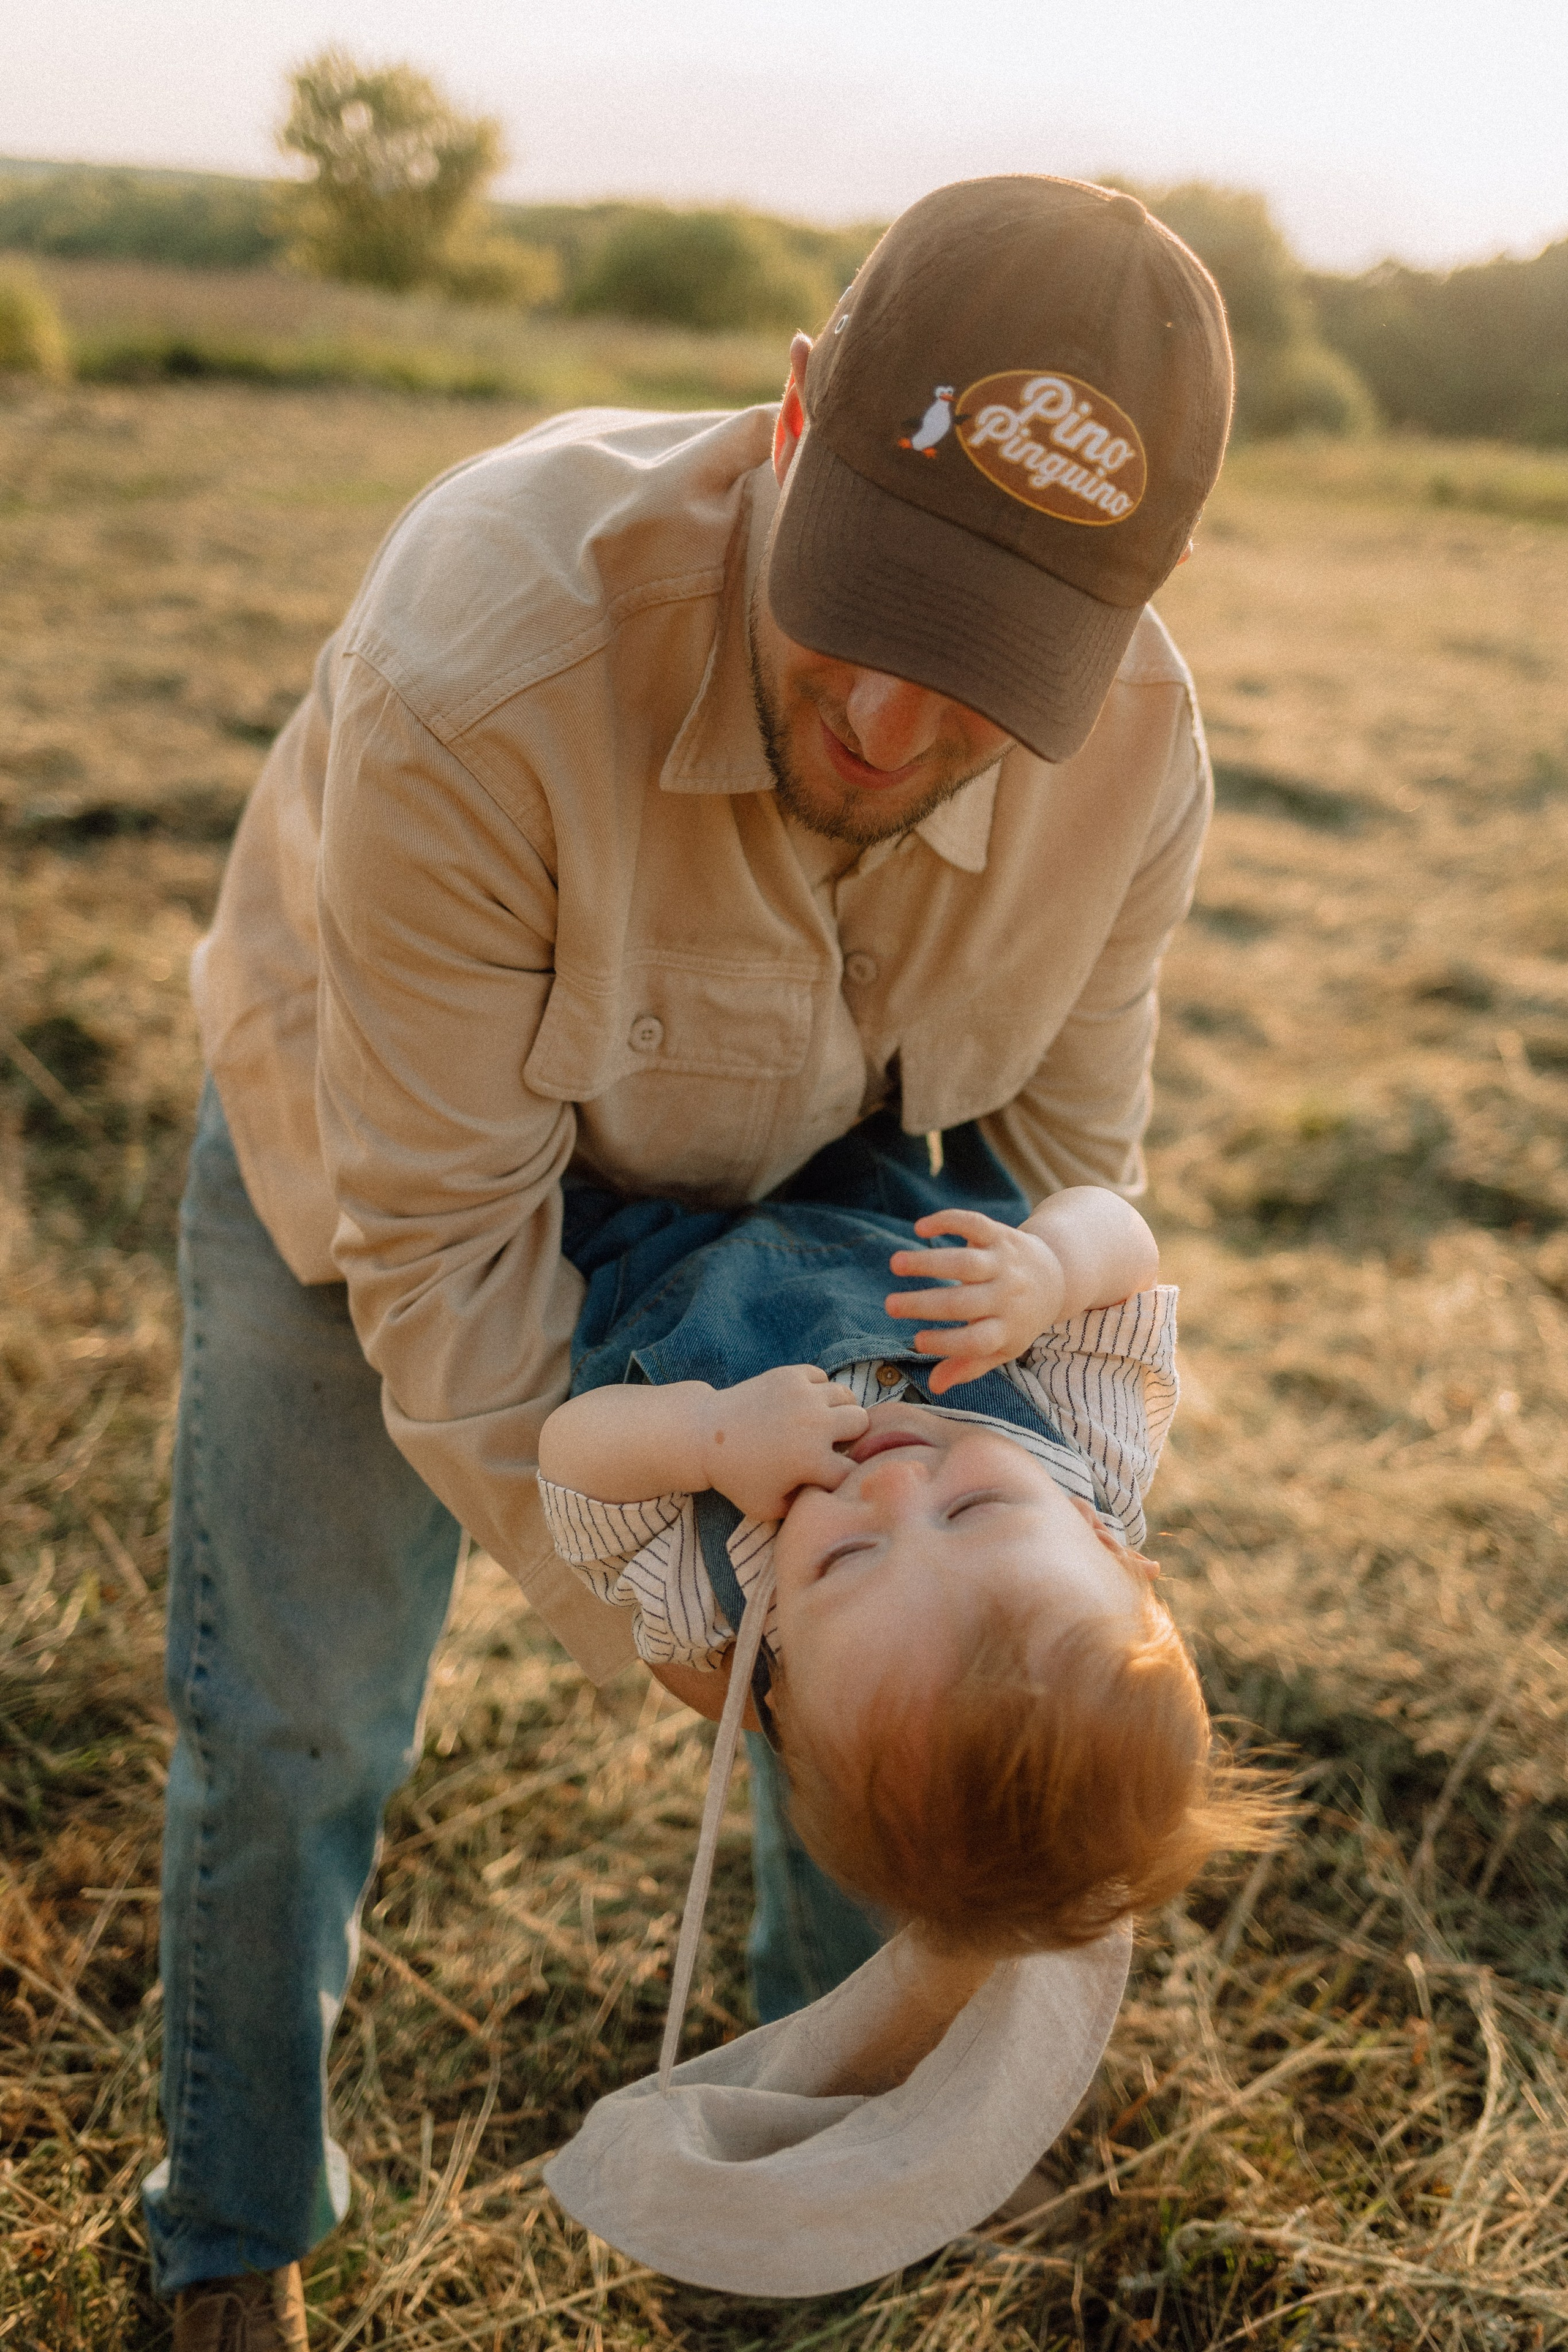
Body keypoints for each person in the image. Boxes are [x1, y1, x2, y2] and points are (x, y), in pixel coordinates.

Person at [150, 173, 1235, 2342]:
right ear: (799, 412)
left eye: (992, 671)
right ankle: (233, 2240)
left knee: (905, 1735)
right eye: (876, 613)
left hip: (805, 1231)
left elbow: (1055, 1171)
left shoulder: (1139, 757)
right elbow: (447, 1266)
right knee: (285, 1729)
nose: (898, 736)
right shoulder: (485, 658)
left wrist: (934, 1590)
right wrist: (690, 1611)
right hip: (389, 1173)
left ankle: (783, 2223)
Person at [537, 1159, 1263, 1978]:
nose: (891, 1486)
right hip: (868, 1160)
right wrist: (1054, 1273)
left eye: (847, 1557)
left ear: (774, 1691)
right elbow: (1125, 1243)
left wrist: (707, 1434)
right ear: (1107, 1545)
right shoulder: (1089, 1456)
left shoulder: (714, 1605)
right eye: (973, 1510)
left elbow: (571, 1461)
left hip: (647, 1229)